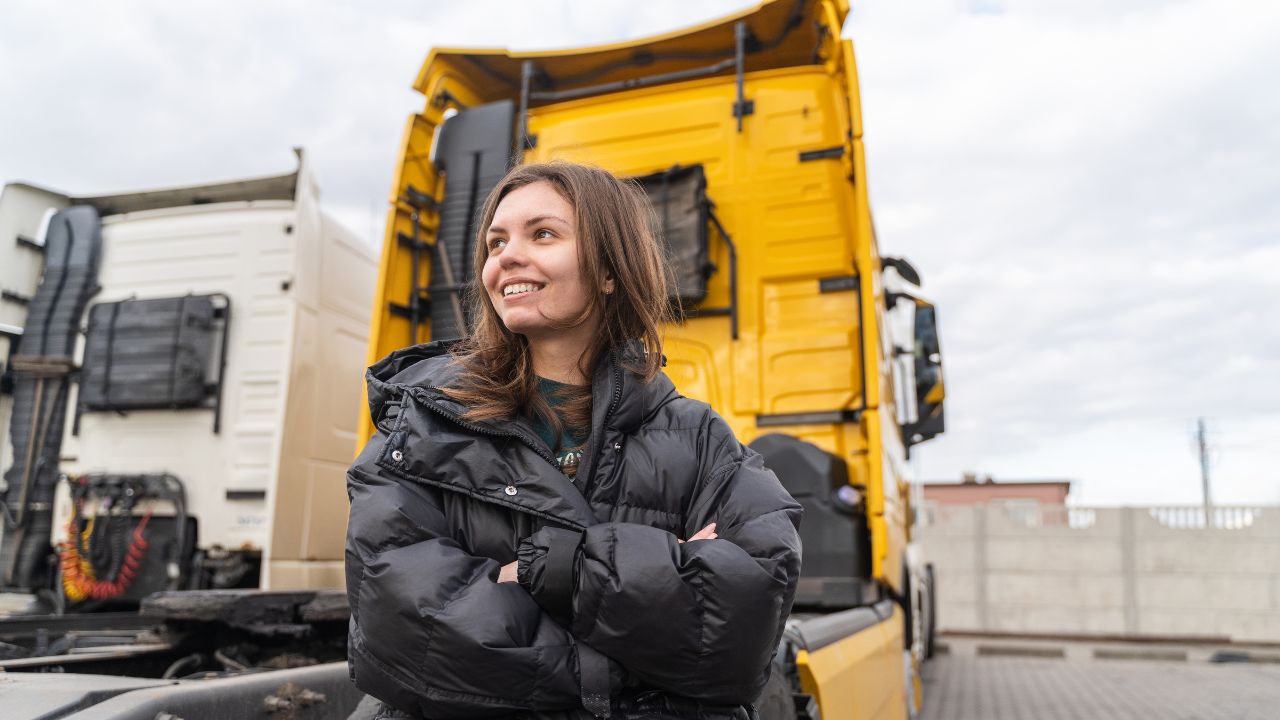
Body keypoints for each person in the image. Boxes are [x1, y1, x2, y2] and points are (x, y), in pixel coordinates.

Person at [345, 161, 802, 720]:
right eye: (495, 242)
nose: (506, 257)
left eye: (543, 234)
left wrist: (553, 569)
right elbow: (407, 633)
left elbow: (740, 634)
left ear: (611, 269)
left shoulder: (700, 437)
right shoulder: (419, 426)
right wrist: (653, 616)